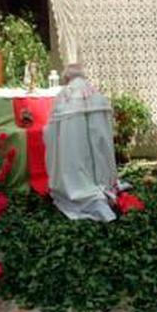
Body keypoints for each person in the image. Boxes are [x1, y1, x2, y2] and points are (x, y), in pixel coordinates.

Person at [43, 64, 119, 222]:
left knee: (76, 156)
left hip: (72, 145)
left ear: (66, 77)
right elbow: (103, 134)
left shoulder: (64, 95)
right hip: (100, 165)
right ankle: (102, 184)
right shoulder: (96, 93)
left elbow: (51, 131)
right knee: (96, 152)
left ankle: (83, 189)